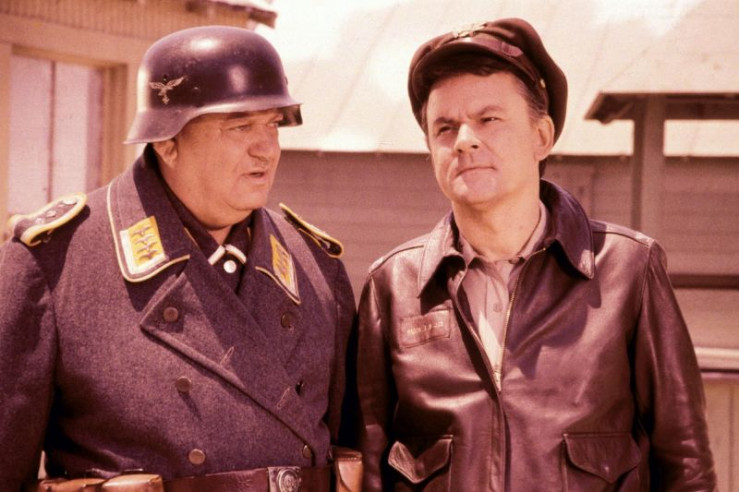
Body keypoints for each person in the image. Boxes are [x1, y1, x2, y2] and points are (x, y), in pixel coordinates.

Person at [354, 18, 716, 490]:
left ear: (541, 136)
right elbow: (366, 466)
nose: (464, 140)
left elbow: (685, 462)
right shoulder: (393, 286)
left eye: (488, 119)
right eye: (444, 127)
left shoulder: (627, 270)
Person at [0, 26, 359, 491]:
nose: (267, 149)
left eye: (272, 124)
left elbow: (353, 452)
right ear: (166, 142)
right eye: (240, 127)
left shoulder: (316, 266)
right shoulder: (56, 265)